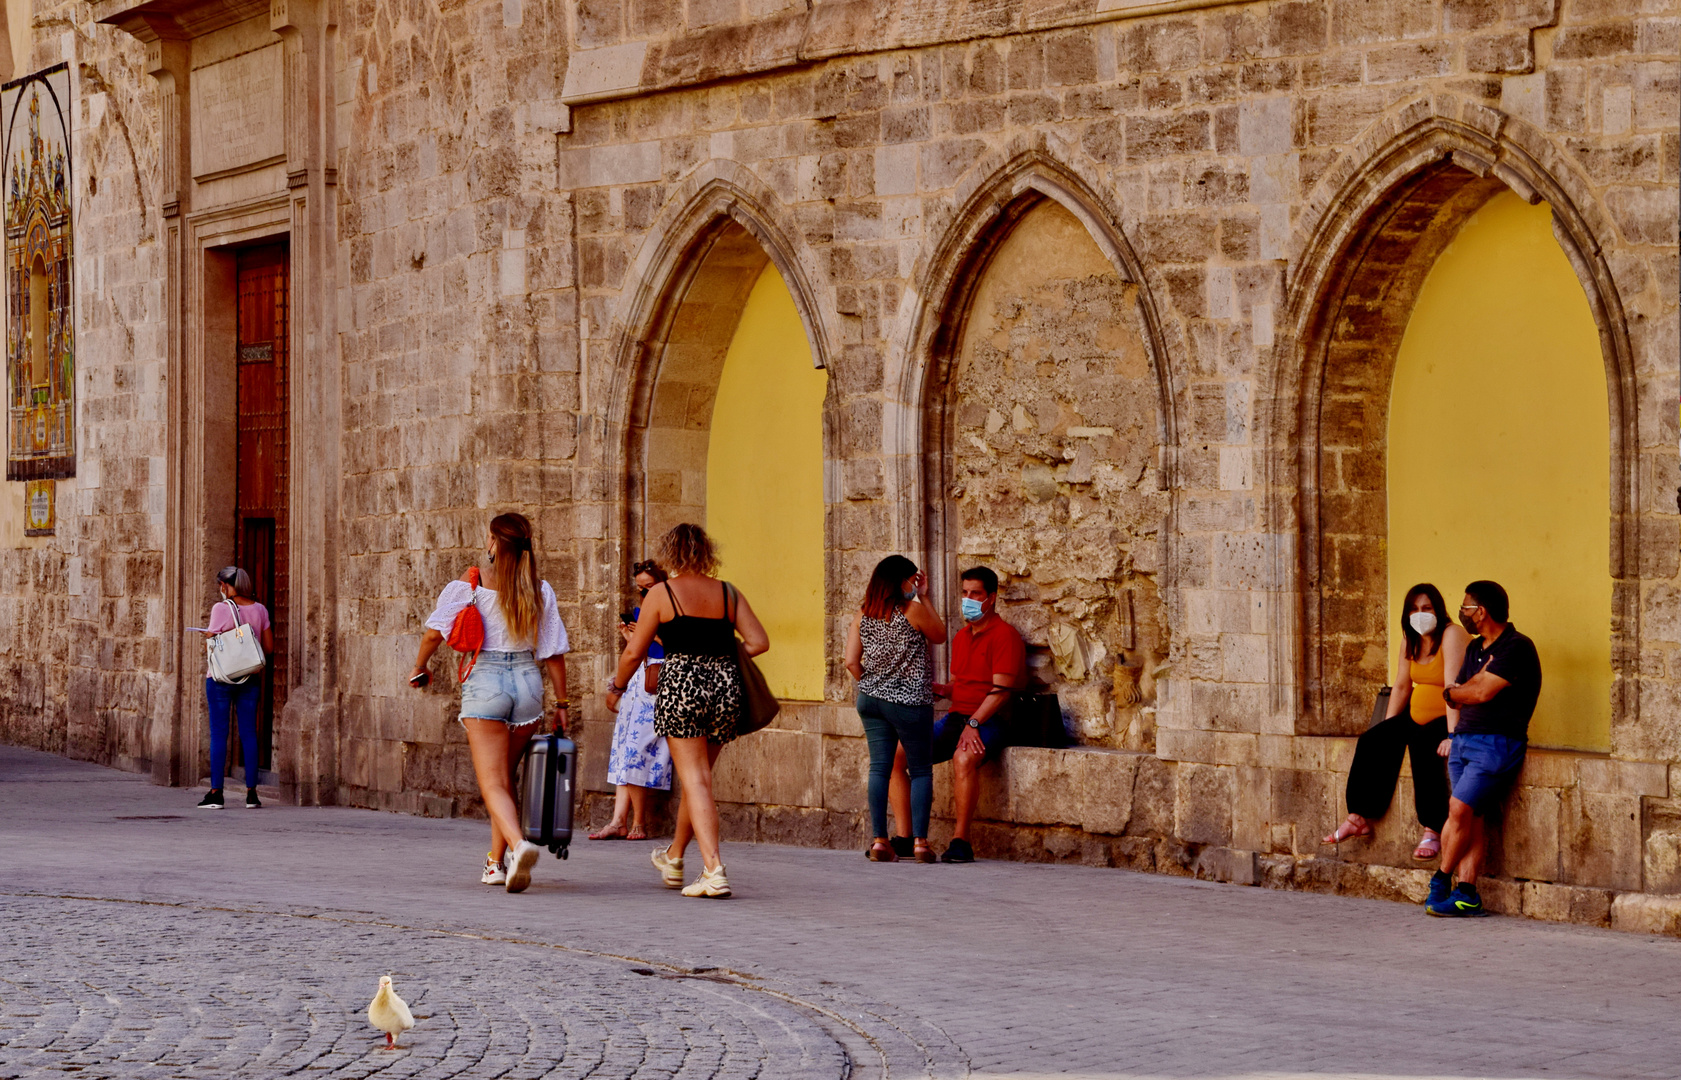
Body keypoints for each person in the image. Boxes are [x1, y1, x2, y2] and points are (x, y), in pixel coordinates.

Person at [410, 512, 570, 894]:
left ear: (495, 544)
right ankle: (495, 864)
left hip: (486, 683)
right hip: (528, 684)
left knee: (492, 783)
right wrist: (562, 702)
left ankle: (519, 846)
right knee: (505, 779)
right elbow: (553, 653)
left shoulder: (468, 586)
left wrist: (420, 666)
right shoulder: (539, 589)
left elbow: (434, 635)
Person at [608, 523, 768, 898]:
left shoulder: (663, 593)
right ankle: (675, 857)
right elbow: (759, 642)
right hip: (725, 687)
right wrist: (721, 659)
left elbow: (635, 651)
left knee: (695, 780)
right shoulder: (728, 592)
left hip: (681, 684)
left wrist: (615, 687)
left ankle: (714, 869)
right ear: (706, 552)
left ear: (671, 553)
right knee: (701, 779)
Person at [1323, 583, 1467, 860]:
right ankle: (1358, 816)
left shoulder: (1452, 635)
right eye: (1414, 609)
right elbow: (1402, 686)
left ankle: (1433, 828)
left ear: (1438, 609)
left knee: (1424, 744)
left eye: (1426, 608)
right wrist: (1387, 729)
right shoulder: (1410, 639)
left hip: (1448, 716)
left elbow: (1452, 686)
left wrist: (1454, 735)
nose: (1420, 614)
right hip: (1415, 715)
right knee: (1372, 740)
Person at [892, 566, 1024, 864]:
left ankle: (960, 841)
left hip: (990, 721)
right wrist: (943, 688)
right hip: (957, 719)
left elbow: (1001, 691)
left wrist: (973, 724)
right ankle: (904, 838)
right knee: (894, 754)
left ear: (991, 598)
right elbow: (967, 685)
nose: (968, 599)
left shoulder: (1006, 636)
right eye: (964, 593)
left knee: (963, 757)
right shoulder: (963, 636)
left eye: (975, 593)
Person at [1427, 580, 1542, 917]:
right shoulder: (1476, 648)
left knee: (1459, 809)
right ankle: (1467, 894)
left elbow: (1477, 692)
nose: (1462, 613)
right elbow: (1464, 688)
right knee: (1471, 816)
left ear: (1482, 610)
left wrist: (1457, 691)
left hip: (1496, 743)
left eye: (1466, 607)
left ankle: (1441, 877)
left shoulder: (1517, 646)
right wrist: (1462, 689)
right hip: (1463, 739)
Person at [844, 555, 947, 863]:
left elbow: (850, 661)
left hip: (871, 701)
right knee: (919, 770)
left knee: (880, 767)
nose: (913, 585)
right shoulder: (912, 611)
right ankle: (919, 843)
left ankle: (879, 842)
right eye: (911, 580)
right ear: (901, 581)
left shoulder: (863, 615)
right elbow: (940, 635)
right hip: (910, 702)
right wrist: (924, 597)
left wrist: (875, 685)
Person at [590, 609, 671, 840]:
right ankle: (618, 821)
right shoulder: (643, 610)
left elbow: (680, 651)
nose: (643, 592)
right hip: (637, 684)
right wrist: (632, 639)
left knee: (636, 751)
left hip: (658, 685)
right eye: (640, 587)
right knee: (624, 751)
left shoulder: (671, 608)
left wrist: (652, 636)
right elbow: (637, 655)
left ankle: (639, 822)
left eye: (647, 586)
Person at [197, 566, 274, 809]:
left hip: (221, 679)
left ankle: (216, 793)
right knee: (249, 733)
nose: (220, 589)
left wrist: (210, 634)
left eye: (222, 584)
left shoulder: (220, 608)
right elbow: (269, 648)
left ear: (229, 586)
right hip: (249, 677)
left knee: (219, 734)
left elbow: (212, 639)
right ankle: (252, 794)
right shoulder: (260, 610)